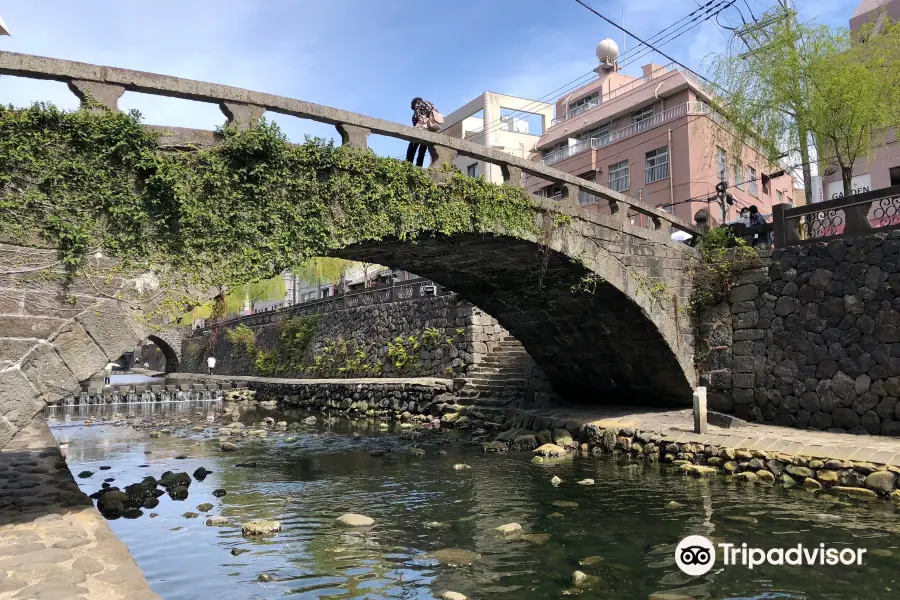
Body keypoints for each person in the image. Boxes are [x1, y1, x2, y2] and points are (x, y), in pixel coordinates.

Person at [406, 97, 436, 167]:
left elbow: (417, 115)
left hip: (421, 128)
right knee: (423, 148)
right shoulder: (430, 104)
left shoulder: (418, 103)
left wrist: (414, 122)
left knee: (413, 145)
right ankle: (419, 165)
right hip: (429, 129)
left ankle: (408, 163)